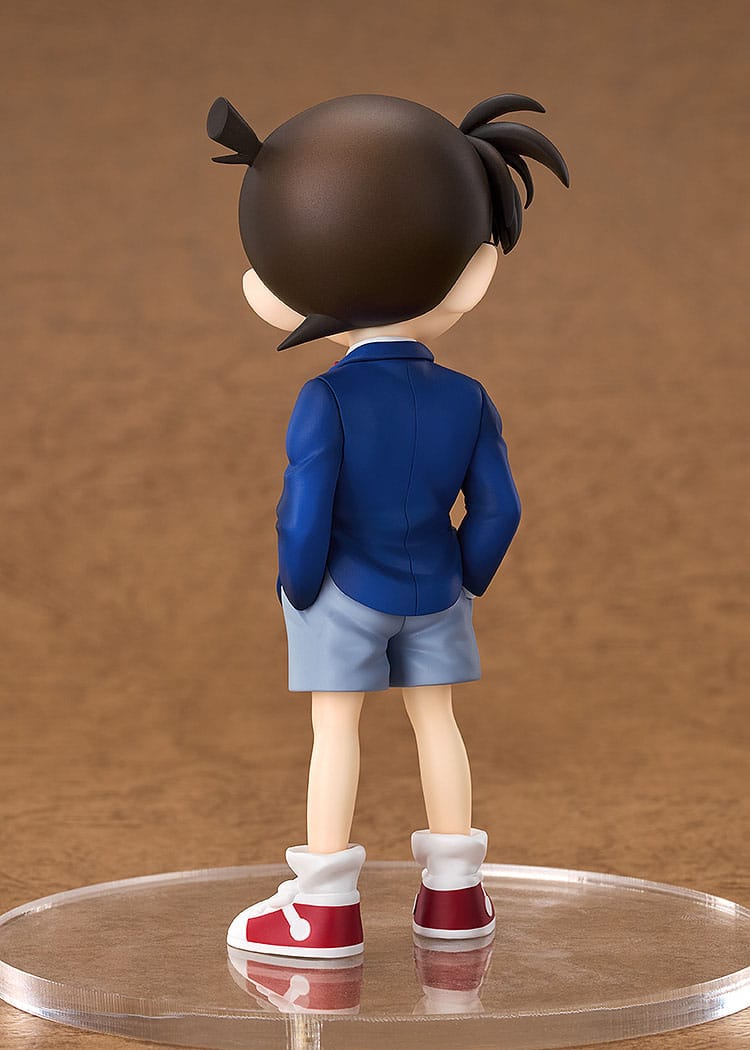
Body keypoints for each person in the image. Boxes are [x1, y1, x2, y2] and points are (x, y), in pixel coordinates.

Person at [208, 92, 569, 958]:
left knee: (337, 730)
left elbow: (305, 508)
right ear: (473, 272)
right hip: (435, 585)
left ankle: (324, 908)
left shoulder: (325, 396)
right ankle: (456, 898)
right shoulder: (466, 397)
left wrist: (299, 586)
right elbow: (501, 506)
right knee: (437, 722)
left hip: (341, 589)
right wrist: (463, 574)